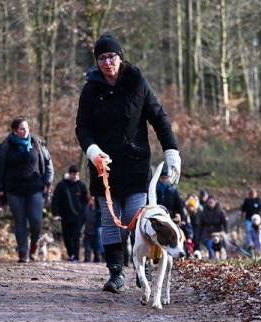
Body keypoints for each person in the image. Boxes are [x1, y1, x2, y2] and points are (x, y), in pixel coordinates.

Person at [75, 34, 181, 293]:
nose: (107, 62)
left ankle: (142, 267)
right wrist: (92, 150)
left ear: (120, 57)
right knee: (110, 222)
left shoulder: (137, 82)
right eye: (101, 58)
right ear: (97, 62)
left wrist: (171, 150)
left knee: (136, 219)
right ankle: (115, 272)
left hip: (135, 164)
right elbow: (83, 128)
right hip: (103, 166)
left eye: (111, 56)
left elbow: (158, 116)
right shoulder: (91, 89)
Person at [0, 117, 54, 263]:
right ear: (15, 131)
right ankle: (22, 253)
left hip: (35, 187)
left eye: (26, 128)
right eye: (21, 128)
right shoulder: (5, 147)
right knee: (20, 221)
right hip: (13, 189)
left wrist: (47, 182)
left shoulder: (36, 143)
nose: (25, 131)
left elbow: (48, 163)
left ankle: (34, 245)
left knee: (36, 221)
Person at [52, 165, 88, 262]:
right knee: (67, 237)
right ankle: (71, 254)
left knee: (76, 237)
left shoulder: (81, 186)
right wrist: (56, 213)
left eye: (76, 174)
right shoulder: (61, 185)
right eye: (73, 174)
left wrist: (83, 212)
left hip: (78, 217)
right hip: (65, 216)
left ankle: (75, 256)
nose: (75, 176)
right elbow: (55, 200)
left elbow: (86, 201)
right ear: (70, 174)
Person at [156, 166, 192, 256]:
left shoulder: (173, 190)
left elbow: (179, 206)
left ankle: (179, 253)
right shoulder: (155, 189)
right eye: (162, 178)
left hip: (171, 217)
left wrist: (182, 219)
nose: (164, 180)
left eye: (165, 178)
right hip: (158, 217)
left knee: (177, 236)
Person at [200, 195, 228, 260]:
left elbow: (224, 222)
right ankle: (212, 258)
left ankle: (223, 258)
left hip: (218, 231)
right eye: (209, 202)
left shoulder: (220, 211)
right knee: (210, 246)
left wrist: (225, 231)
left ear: (215, 202)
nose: (210, 204)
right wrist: (201, 233)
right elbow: (201, 223)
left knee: (221, 247)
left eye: (211, 202)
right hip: (208, 232)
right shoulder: (204, 210)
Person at [83, 196, 103, 262]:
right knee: (87, 249)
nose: (92, 201)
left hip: (96, 233)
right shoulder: (86, 208)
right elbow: (83, 218)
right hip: (88, 231)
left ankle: (99, 261)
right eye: (91, 199)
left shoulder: (99, 210)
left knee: (97, 250)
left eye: (93, 200)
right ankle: (87, 261)